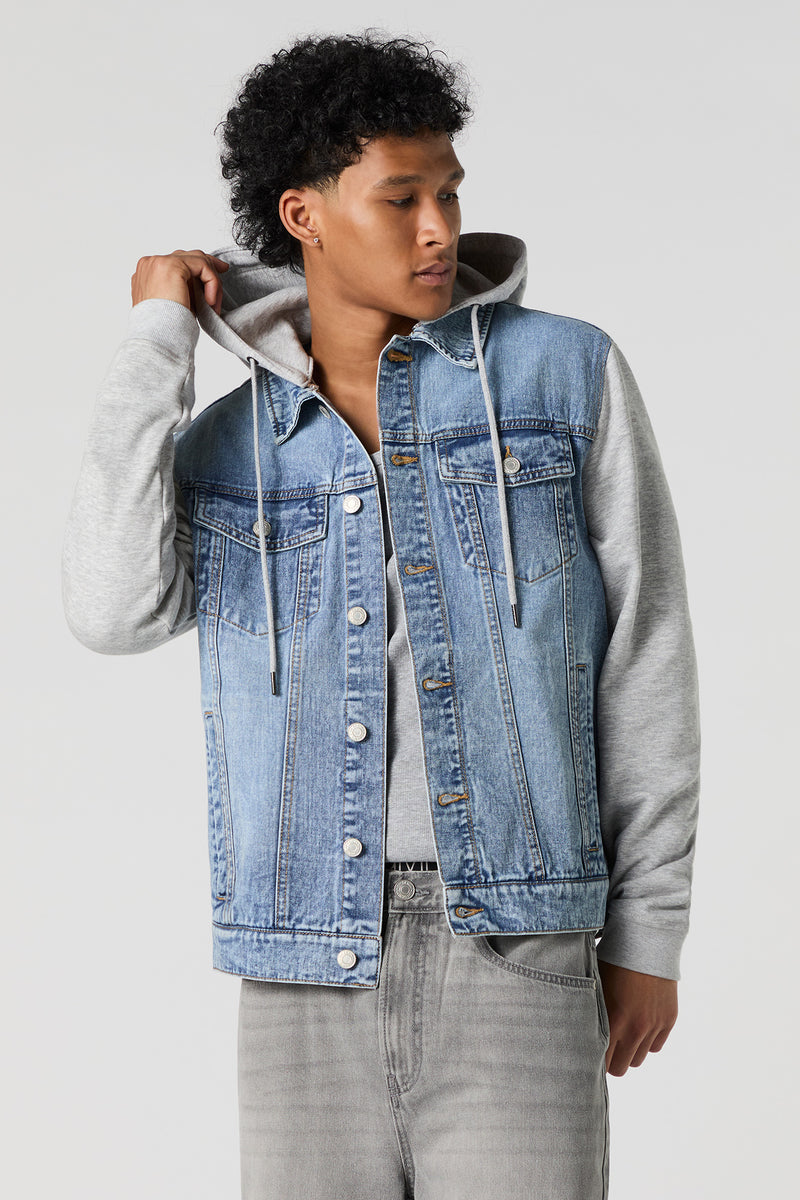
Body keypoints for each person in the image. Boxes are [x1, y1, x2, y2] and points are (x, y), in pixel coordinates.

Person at [62, 31, 700, 1200]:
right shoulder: (231, 446)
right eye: (401, 199)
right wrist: (156, 335)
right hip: (301, 959)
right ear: (302, 216)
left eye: (448, 193)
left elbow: (643, 652)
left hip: (515, 937)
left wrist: (646, 932)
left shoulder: (562, 378)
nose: (438, 229)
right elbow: (112, 608)